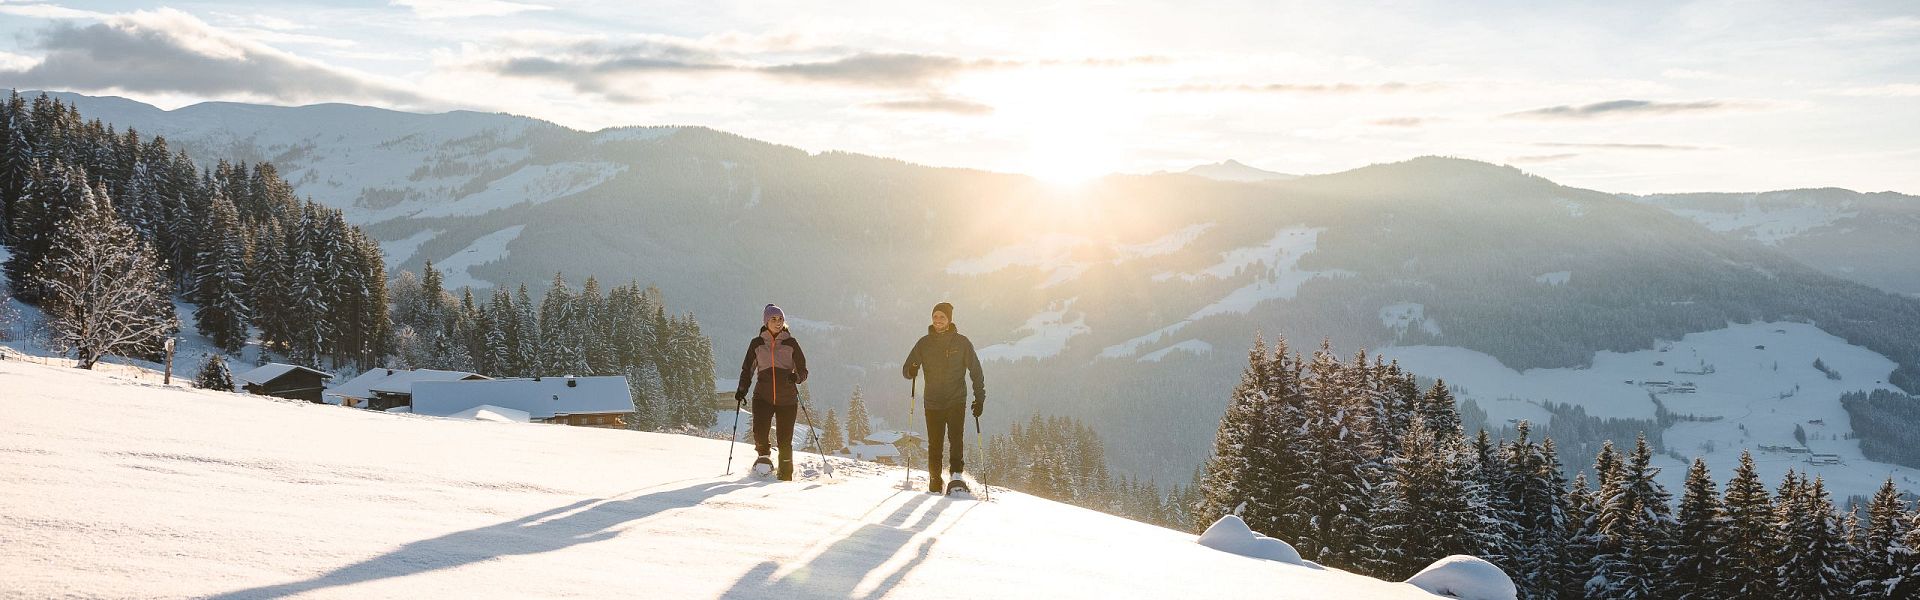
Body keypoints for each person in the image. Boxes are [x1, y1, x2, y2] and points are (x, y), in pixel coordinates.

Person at [902, 301, 985, 493]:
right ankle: (934, 479)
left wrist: (979, 398)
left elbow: (976, 371)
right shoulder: (924, 343)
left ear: (949, 320)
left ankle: (956, 477)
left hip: (956, 400)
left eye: (942, 317)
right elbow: (907, 370)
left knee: (956, 439)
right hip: (932, 402)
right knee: (935, 443)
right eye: (935, 316)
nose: (938, 320)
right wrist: (912, 370)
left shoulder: (962, 342)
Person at [736, 304, 808, 481]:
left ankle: (786, 477)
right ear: (766, 321)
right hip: (763, 397)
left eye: (780, 319)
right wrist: (742, 389)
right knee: (760, 432)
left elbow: (803, 370)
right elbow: (748, 369)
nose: (778, 322)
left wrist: (796, 378)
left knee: (785, 439)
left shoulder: (791, 343)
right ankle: (763, 461)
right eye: (773, 319)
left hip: (787, 400)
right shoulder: (757, 344)